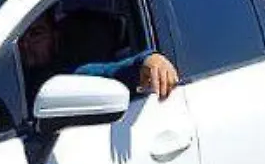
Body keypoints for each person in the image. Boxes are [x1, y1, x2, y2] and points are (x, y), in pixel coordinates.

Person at [18, 8, 181, 101]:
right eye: (19, 36)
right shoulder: (2, 71)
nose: (25, 44)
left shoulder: (62, 75)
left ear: (55, 38)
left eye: (36, 34)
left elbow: (108, 72)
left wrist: (147, 60)